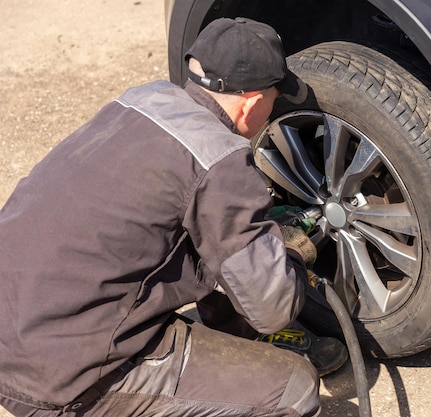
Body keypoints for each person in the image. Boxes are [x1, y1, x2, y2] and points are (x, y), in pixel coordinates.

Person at [0, 17, 345, 417]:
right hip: (63, 379)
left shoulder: (141, 100)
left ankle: (236, 348)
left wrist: (249, 237)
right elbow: (272, 308)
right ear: (252, 102)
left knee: (213, 247)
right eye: (274, 97)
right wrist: (288, 256)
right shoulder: (220, 163)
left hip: (17, 325)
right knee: (294, 388)